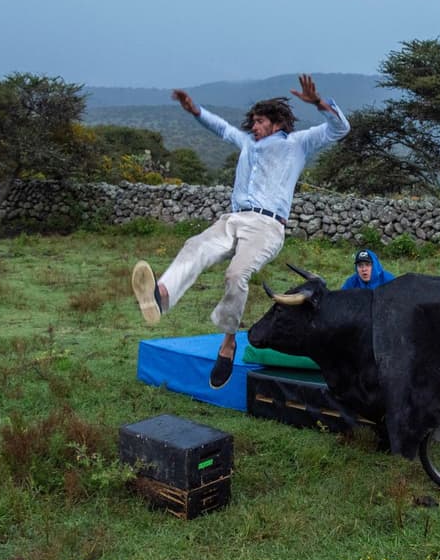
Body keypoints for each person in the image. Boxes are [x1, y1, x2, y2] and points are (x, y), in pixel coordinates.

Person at [131, 74, 350, 389]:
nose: (254, 127)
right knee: (195, 245)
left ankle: (228, 343)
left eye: (260, 122)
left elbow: (340, 129)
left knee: (235, 275)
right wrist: (195, 110)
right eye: (253, 122)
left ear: (276, 123)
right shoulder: (248, 143)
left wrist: (317, 102)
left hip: (267, 226)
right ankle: (162, 295)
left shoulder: (297, 144)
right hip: (233, 218)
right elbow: (221, 128)